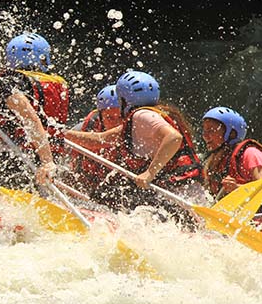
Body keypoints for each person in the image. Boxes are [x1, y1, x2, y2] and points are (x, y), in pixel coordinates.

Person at [65, 70, 205, 219]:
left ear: (125, 100)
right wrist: (61, 134)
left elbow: (174, 138)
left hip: (180, 192)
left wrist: (150, 173)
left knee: (114, 196)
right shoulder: (147, 116)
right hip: (187, 190)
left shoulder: (141, 116)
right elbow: (101, 139)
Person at [0, 32, 69, 188]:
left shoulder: (8, 83)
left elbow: (30, 119)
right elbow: (12, 114)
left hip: (16, 159)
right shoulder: (53, 83)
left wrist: (47, 162)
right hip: (45, 155)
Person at [201, 106, 262, 212]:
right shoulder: (214, 162)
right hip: (231, 219)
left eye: (211, 130)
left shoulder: (251, 154)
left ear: (231, 134)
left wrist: (237, 188)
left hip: (261, 219)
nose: (205, 136)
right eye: (204, 131)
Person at [67, 84, 124, 197]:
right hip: (90, 181)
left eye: (120, 117)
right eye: (110, 118)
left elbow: (102, 140)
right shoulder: (85, 128)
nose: (116, 123)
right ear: (101, 116)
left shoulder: (135, 129)